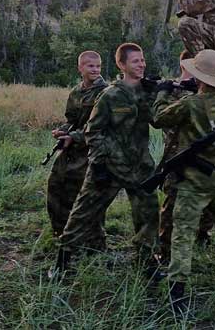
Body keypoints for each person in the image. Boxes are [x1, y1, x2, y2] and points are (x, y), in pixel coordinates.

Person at [152, 49, 215, 309]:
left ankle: (177, 291)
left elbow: (158, 118)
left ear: (199, 77)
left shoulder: (191, 104)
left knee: (182, 234)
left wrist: (162, 91)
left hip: (194, 181)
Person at [54, 43, 161, 277]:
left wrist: (157, 93)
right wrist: (100, 163)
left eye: (143, 60)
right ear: (121, 65)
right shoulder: (110, 94)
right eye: (135, 61)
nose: (141, 64)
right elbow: (93, 131)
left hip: (139, 166)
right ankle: (63, 260)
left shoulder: (146, 91)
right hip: (109, 165)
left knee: (149, 215)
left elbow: (157, 121)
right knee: (84, 213)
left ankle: (147, 263)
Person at [157, 50, 215, 265]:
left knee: (208, 202)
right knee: (172, 204)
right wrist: (165, 92)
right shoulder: (170, 88)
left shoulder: (207, 89)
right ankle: (165, 251)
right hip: (177, 156)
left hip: (203, 156)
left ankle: (202, 236)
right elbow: (160, 118)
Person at [46, 51, 108, 243]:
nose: (95, 70)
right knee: (56, 185)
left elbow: (100, 126)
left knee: (85, 195)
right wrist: (62, 131)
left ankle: (92, 239)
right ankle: (61, 231)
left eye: (98, 66)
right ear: (80, 68)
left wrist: (73, 136)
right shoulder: (76, 92)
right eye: (90, 66)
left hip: (92, 150)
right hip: (72, 149)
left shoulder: (105, 92)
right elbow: (71, 120)